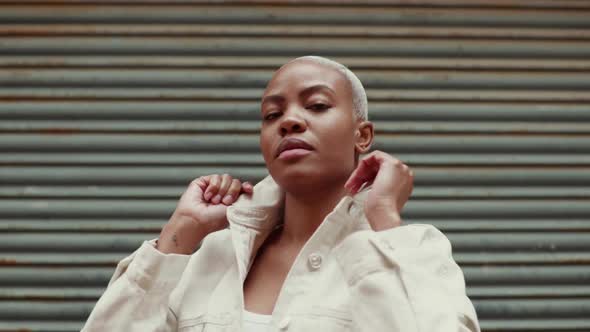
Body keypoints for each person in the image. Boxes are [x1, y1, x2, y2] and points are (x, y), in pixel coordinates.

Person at [82, 56, 480, 332]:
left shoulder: (414, 252)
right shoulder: (210, 256)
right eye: (272, 115)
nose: (289, 120)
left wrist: (385, 219)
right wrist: (181, 232)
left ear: (362, 135)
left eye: (317, 105)